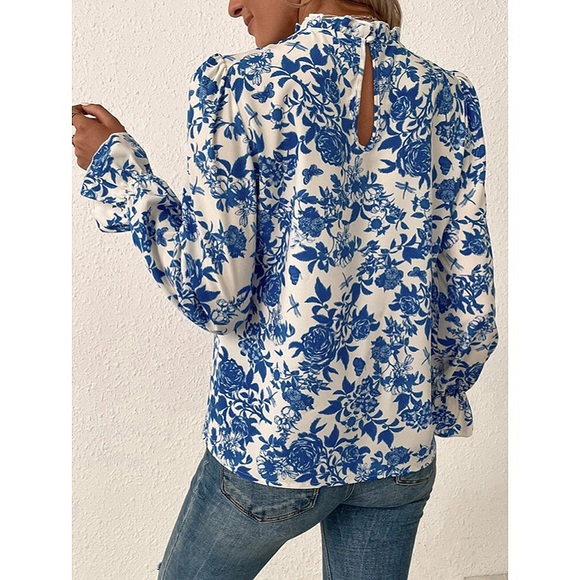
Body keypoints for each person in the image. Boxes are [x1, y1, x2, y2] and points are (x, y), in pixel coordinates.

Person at [72, 0, 499, 578]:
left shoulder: (244, 86)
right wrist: (434, 397)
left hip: (276, 443)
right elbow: (470, 301)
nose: (233, 7)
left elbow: (214, 294)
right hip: (401, 445)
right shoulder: (446, 95)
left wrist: (119, 172)